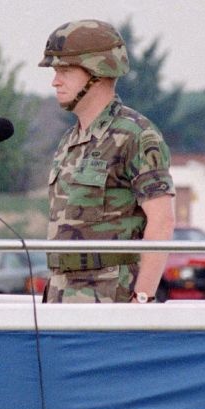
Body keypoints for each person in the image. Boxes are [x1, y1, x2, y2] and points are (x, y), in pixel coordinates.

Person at [40, 20, 175, 303]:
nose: (55, 80)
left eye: (64, 71)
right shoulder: (70, 140)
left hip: (110, 301)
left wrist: (143, 298)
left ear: (98, 72)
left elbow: (161, 222)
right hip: (62, 296)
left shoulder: (136, 135)